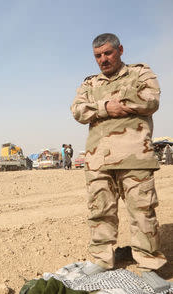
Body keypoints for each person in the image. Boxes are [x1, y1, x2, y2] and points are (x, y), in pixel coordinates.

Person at [71, 33, 166, 272]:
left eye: (107, 53)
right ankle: (101, 260)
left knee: (142, 213)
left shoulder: (140, 73)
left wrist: (101, 107)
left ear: (120, 50)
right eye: (98, 56)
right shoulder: (89, 84)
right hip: (98, 161)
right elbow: (78, 111)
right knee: (100, 213)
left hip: (135, 157)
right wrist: (106, 107)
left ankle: (149, 265)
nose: (103, 59)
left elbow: (150, 101)